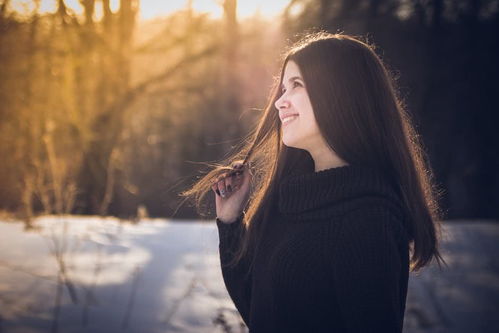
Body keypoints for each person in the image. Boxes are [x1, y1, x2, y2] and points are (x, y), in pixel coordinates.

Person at [181, 31, 447, 333]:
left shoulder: (367, 221)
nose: (280, 102)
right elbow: (261, 311)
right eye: (282, 88)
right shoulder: (292, 199)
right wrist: (230, 223)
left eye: (297, 85)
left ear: (341, 94)